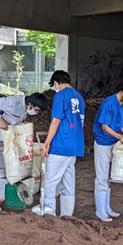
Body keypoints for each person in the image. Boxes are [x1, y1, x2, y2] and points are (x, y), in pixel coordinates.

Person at [0, 92, 47, 211]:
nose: (35, 112)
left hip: (4, 135)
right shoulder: (12, 102)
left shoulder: (26, 109)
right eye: (36, 109)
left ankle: (1, 197)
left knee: (3, 165)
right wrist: (0, 118)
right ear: (30, 104)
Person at [92, 79, 123, 222]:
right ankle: (100, 211)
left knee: (109, 177)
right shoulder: (108, 103)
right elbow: (105, 127)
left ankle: (107, 207)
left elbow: (120, 126)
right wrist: (119, 137)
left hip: (114, 142)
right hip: (103, 142)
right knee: (102, 176)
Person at [39, 70, 85, 217]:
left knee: (50, 183)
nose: (55, 88)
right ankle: (67, 216)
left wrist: (47, 142)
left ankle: (49, 215)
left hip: (61, 145)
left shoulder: (60, 95)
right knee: (68, 182)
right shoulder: (79, 97)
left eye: (55, 86)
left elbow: (56, 120)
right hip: (75, 145)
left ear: (57, 83)